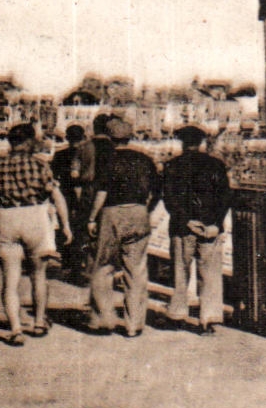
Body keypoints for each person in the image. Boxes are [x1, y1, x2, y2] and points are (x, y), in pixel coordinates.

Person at [0, 122, 73, 344]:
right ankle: (39, 322)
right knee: (38, 274)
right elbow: (57, 196)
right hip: (35, 218)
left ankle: (15, 329)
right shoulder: (40, 166)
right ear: (30, 142)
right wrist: (66, 225)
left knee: (10, 279)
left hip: (6, 218)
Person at [85, 116, 159, 337]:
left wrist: (91, 218)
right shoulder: (145, 160)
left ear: (109, 137)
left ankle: (104, 319)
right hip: (139, 212)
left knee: (103, 266)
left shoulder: (108, 159)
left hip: (112, 213)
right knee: (136, 270)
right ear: (130, 136)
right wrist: (147, 209)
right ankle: (133, 324)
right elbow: (157, 190)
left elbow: (102, 192)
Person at [160, 125, 232, 334]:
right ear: (201, 143)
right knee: (210, 273)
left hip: (183, 227)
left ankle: (177, 315)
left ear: (182, 143)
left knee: (180, 270)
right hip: (210, 226)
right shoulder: (216, 165)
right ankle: (208, 320)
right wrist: (216, 224)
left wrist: (186, 221)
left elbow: (169, 198)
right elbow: (225, 197)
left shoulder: (172, 165)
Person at [50, 124, 95, 274]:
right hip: (85, 194)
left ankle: (67, 259)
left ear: (67, 138)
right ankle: (82, 259)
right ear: (83, 136)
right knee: (82, 227)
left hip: (65, 194)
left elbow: (53, 177)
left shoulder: (60, 154)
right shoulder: (88, 152)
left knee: (66, 225)